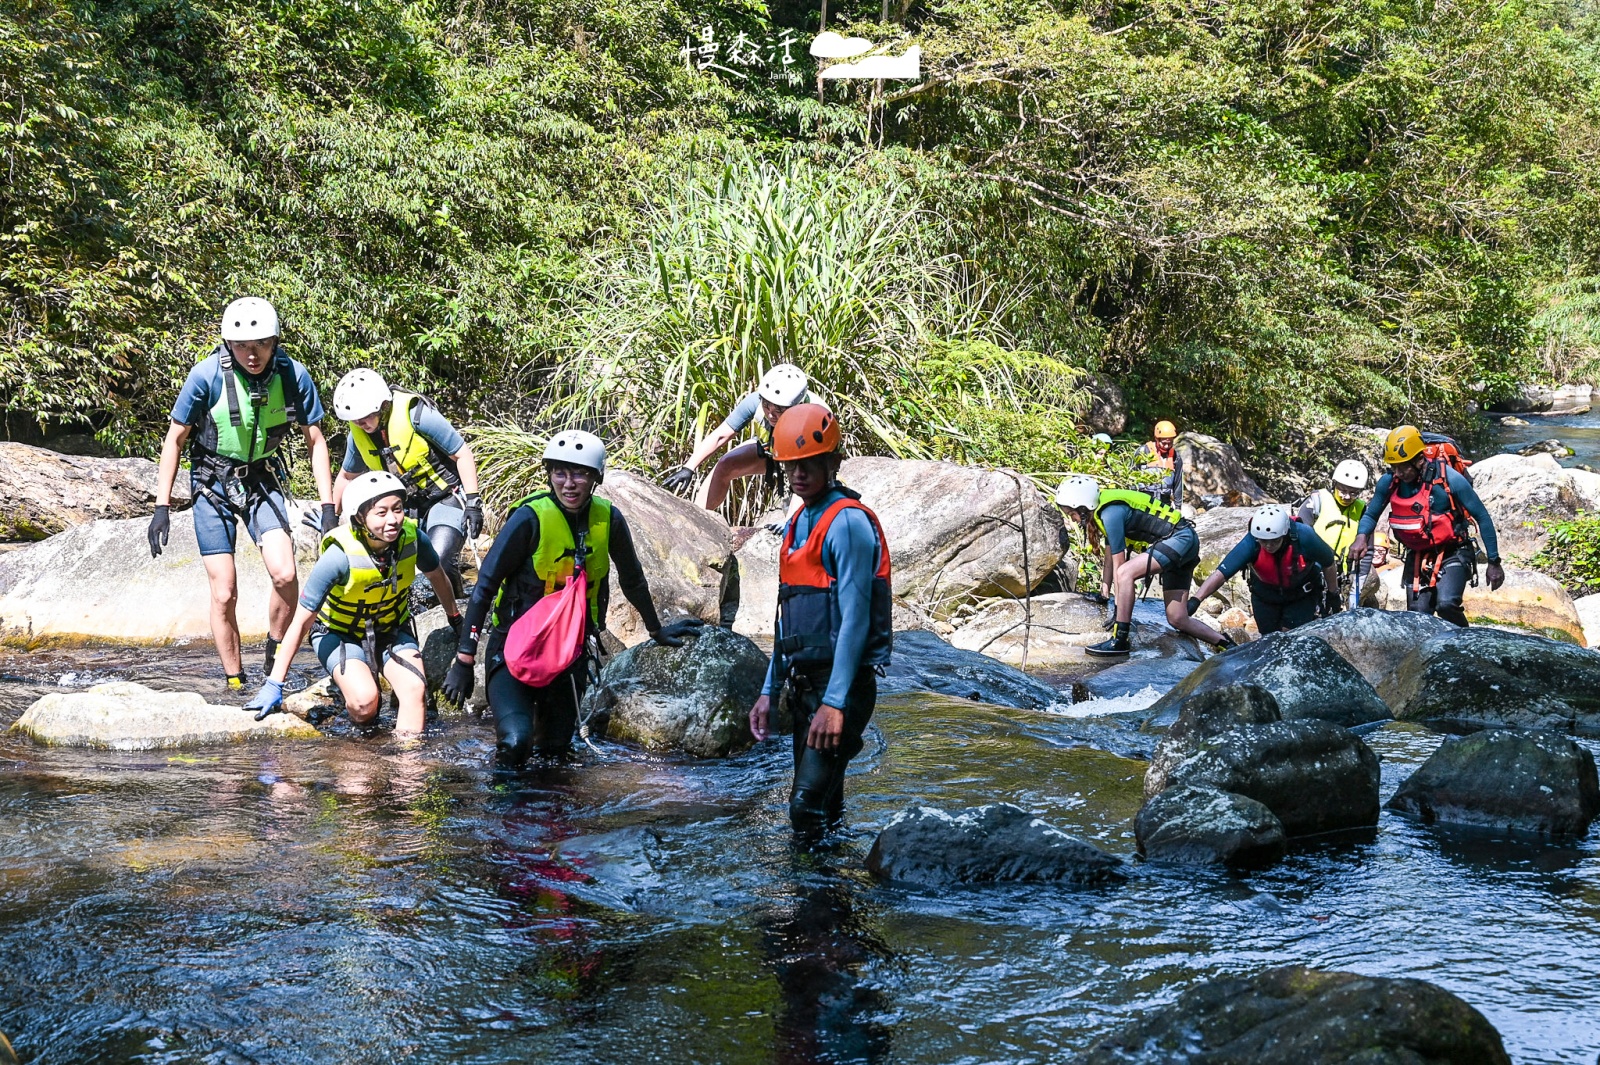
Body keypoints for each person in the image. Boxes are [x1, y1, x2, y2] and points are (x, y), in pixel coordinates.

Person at [442, 430, 704, 765]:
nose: (569, 483)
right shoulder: (529, 519)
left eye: (580, 473)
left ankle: (554, 816)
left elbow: (633, 580)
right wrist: (465, 659)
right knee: (516, 743)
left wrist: (656, 630)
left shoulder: (609, 519)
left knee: (555, 754)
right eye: (560, 472)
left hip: (570, 654)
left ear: (596, 478)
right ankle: (502, 813)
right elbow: (485, 587)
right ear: (549, 474)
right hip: (513, 649)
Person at [147, 297, 334, 690]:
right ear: (228, 345)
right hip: (211, 483)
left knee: (285, 574)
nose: (253, 354)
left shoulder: (292, 375)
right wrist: (161, 505)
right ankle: (234, 679)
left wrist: (328, 505)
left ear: (275, 342)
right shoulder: (206, 376)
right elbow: (174, 440)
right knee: (224, 592)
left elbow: (315, 441)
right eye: (243, 345)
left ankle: (275, 648)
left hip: (260, 479)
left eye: (262, 344)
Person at [748, 404, 893, 841]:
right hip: (805, 685)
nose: (799, 474)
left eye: (809, 463)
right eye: (791, 465)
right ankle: (833, 903)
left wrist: (834, 703)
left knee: (804, 810)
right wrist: (768, 691)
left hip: (840, 687)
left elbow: (855, 620)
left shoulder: (847, 523)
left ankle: (815, 904)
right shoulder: (797, 525)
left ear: (832, 461)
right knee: (825, 808)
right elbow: (785, 617)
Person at [243, 471, 462, 734]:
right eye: (381, 513)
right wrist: (275, 683)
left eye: (398, 509)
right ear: (360, 517)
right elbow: (301, 621)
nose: (392, 520)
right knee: (364, 703)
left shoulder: (414, 539)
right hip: (338, 634)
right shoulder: (338, 556)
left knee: (415, 690)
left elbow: (438, 577)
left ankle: (408, 768)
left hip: (391, 629)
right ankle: (358, 739)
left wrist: (455, 618)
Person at [330, 368, 483, 597]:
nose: (360, 424)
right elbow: (345, 476)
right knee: (395, 569)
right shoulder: (357, 434)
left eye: (364, 417)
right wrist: (330, 516)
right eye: (355, 420)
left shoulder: (417, 414)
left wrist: (473, 501)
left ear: (382, 406)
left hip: (445, 498)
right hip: (404, 509)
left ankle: (458, 605)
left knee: (439, 556)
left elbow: (461, 453)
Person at [1054, 475, 1229, 658]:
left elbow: (1120, 567)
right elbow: (1109, 556)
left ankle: (1120, 640)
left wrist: (1118, 612)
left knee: (1125, 572)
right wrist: (1104, 593)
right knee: (1177, 618)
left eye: (1072, 513)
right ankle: (1225, 643)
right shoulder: (1103, 511)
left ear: (1084, 507)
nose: (1073, 519)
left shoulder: (1110, 512)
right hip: (1181, 543)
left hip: (1180, 539)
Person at [1349, 425, 1504, 626]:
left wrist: (1494, 561)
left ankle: (1467, 643)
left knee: (1446, 604)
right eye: (1393, 466)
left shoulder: (1448, 479)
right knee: (1417, 617)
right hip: (1417, 555)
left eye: (1403, 466)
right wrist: (1361, 537)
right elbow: (1371, 514)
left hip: (1454, 551)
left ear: (1419, 459)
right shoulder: (1390, 481)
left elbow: (1482, 517)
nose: (1398, 472)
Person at [661, 364, 811, 510]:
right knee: (726, 464)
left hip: (810, 465)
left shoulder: (813, 420)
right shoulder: (756, 401)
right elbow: (720, 435)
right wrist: (689, 467)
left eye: (779, 409)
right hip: (771, 451)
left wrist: (791, 521)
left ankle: (793, 526)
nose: (770, 414)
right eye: (767, 405)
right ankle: (698, 516)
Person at [1188, 503, 1335, 634]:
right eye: (1264, 541)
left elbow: (1329, 563)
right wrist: (1196, 600)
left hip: (1301, 595)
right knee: (1269, 640)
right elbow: (1222, 573)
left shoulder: (1305, 536)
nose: (1269, 546)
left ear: (1284, 534)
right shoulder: (1253, 541)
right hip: (1265, 596)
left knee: (1290, 638)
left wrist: (1333, 593)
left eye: (1274, 541)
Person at [1297, 459, 1375, 614]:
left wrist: (1356, 586)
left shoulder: (1362, 510)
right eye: (1343, 490)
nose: (1347, 496)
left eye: (1353, 493)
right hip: (1311, 572)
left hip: (1341, 575)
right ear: (1334, 484)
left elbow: (1369, 549)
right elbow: (1299, 537)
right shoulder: (1315, 502)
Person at [1136, 420, 1183, 505]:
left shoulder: (1176, 457)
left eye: (1170, 443)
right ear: (1156, 439)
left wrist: (1178, 507)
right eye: (1164, 443)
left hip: (1164, 502)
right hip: (1144, 500)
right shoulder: (1143, 452)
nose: (1166, 446)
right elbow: (1132, 477)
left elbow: (1178, 484)